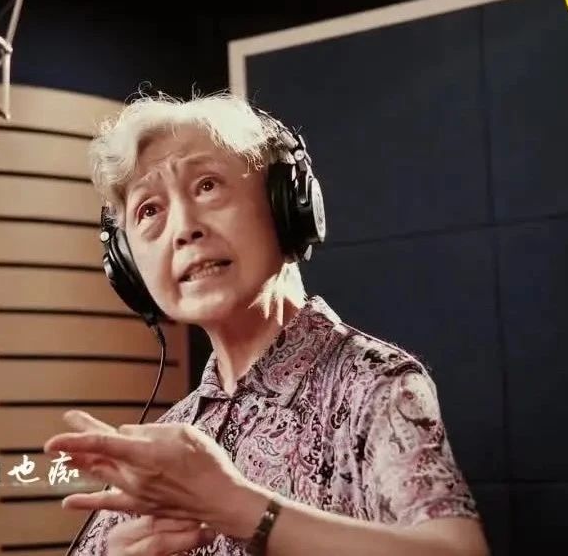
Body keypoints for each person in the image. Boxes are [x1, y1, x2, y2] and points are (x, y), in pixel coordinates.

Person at [43, 90, 488, 556]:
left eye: (207, 186)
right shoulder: (170, 440)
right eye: (149, 210)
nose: (184, 229)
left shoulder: (374, 384)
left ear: (284, 205)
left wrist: (240, 507)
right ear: (129, 265)